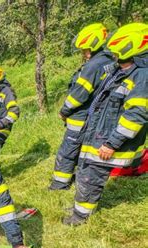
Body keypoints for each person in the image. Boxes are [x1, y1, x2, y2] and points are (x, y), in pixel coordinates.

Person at [63, 23, 147, 226]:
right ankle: (80, 206)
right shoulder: (122, 70)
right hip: (99, 134)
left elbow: (136, 115)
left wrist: (112, 143)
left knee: (91, 177)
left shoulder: (142, 77)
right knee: (84, 171)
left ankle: (80, 216)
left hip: (109, 141)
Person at [50, 23, 115, 190]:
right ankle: (77, 177)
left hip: (80, 117)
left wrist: (64, 110)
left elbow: (79, 94)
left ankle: (60, 183)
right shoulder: (108, 61)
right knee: (80, 149)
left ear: (92, 47)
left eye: (84, 49)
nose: (83, 53)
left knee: (68, 151)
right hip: (94, 117)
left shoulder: (92, 66)